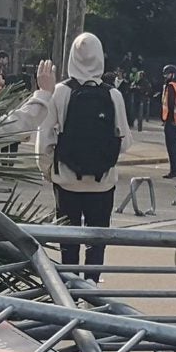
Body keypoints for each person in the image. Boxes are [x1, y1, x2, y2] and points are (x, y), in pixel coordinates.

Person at [46, 30, 127, 278]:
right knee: (97, 241)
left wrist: (47, 170)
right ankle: (92, 293)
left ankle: (69, 292)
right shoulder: (113, 95)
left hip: (67, 180)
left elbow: (46, 137)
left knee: (68, 243)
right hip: (103, 183)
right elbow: (124, 140)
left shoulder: (60, 92)